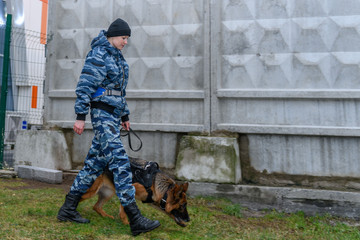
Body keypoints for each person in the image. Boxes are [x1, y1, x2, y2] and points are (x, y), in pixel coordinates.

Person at [57, 18, 160, 236]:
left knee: (93, 166)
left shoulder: (118, 57)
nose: (125, 42)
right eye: (123, 37)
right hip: (101, 114)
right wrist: (80, 116)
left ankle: (67, 209)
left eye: (127, 39)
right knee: (120, 162)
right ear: (112, 35)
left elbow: (118, 90)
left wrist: (124, 114)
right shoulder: (99, 54)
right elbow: (85, 85)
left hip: (113, 116)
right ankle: (135, 219)